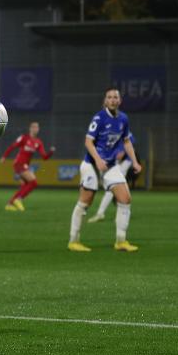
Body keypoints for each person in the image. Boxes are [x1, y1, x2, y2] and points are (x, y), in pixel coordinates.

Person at [68, 88, 142, 252]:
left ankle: (121, 241)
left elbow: (127, 142)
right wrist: (98, 160)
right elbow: (88, 142)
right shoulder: (99, 118)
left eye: (116, 97)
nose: (113, 99)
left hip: (109, 166)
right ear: (105, 101)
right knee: (85, 202)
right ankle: (73, 241)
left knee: (125, 199)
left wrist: (135, 162)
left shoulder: (123, 119)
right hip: (91, 165)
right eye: (110, 97)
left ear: (120, 100)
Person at [0, 122, 54, 212]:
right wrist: (4, 156)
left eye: (37, 127)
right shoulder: (24, 138)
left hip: (25, 166)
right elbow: (12, 146)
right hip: (19, 164)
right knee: (34, 182)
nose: (35, 129)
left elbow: (44, 157)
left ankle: (10, 204)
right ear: (30, 128)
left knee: (25, 185)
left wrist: (51, 152)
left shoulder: (38, 142)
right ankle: (19, 199)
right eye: (33, 127)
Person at [87, 131, 137, 223]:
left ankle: (101, 213)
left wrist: (123, 151)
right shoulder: (107, 130)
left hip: (126, 161)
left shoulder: (122, 126)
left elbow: (131, 141)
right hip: (115, 162)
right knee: (116, 188)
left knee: (112, 188)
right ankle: (121, 212)